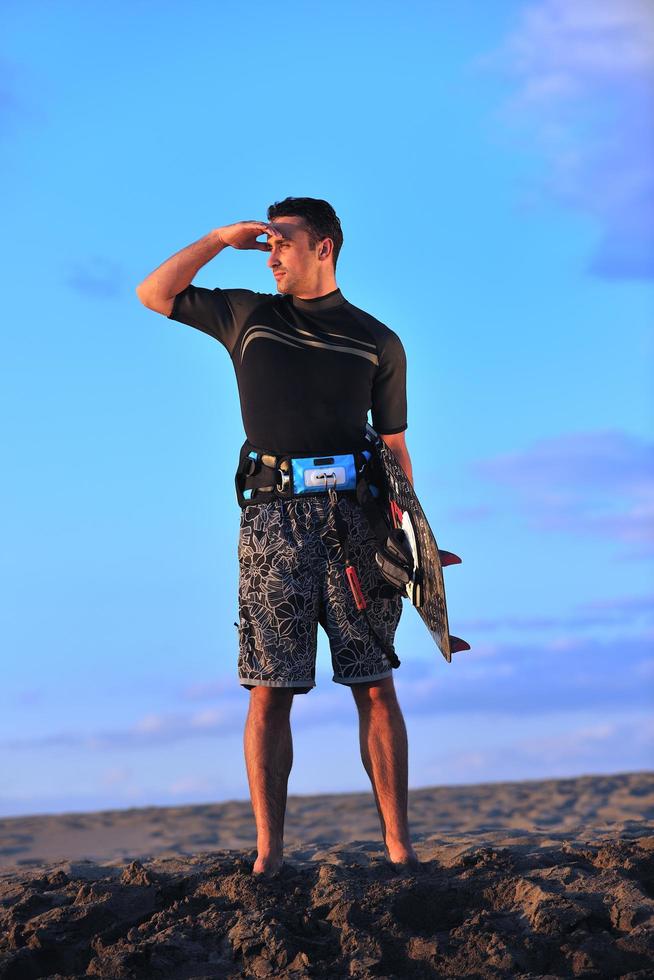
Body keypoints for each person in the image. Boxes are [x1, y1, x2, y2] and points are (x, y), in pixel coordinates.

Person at [136, 197, 419, 875]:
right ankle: (269, 854)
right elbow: (155, 293)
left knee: (375, 684)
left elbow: (395, 446)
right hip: (272, 520)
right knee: (269, 688)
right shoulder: (247, 316)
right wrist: (216, 237)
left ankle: (399, 848)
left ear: (323, 247)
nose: (270, 255)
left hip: (359, 521)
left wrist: (415, 537)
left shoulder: (377, 339)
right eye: (265, 244)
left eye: (283, 243)